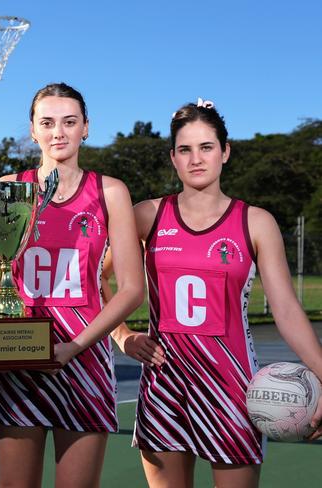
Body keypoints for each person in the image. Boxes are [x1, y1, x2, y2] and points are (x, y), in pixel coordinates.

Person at [0, 82, 163, 488]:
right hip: (18, 359)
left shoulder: (109, 192)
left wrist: (74, 346)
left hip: (84, 359)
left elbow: (130, 288)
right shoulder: (9, 187)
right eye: (48, 122)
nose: (59, 132)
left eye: (69, 122)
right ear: (33, 130)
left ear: (86, 128)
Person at [131, 98, 322, 488]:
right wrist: (123, 336)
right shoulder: (148, 215)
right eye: (185, 149)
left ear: (225, 152)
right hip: (164, 386)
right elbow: (93, 277)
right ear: (173, 157)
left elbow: (285, 309)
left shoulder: (255, 221)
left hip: (232, 387)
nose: (196, 158)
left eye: (206, 147)